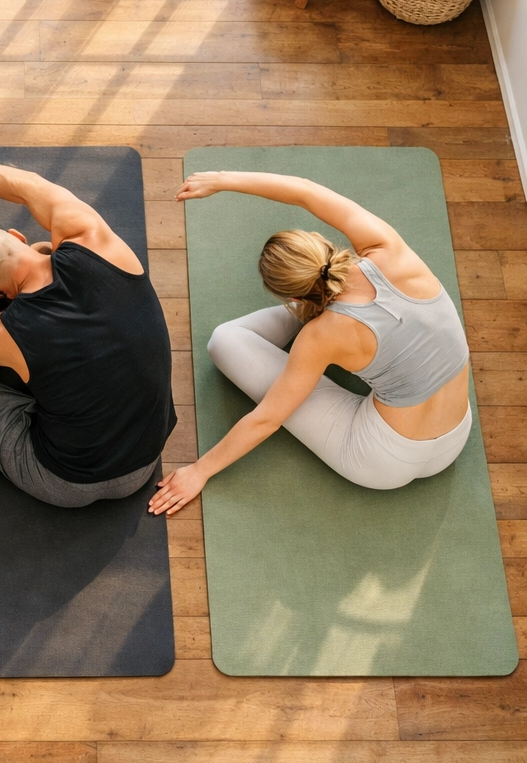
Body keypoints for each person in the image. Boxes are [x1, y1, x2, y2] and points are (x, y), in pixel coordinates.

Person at [149, 170, 471, 517]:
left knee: (225, 341)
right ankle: (317, 302)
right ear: (320, 240)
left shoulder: (320, 336)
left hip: (380, 462)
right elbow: (305, 191)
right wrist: (224, 179)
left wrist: (199, 471)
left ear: (290, 292)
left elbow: (267, 419)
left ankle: (312, 304)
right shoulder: (390, 249)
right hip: (456, 435)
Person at [0, 162, 177, 508]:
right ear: (17, 237)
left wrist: (11, 307)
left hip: (67, 482)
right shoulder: (91, 235)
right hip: (147, 455)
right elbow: (28, 183)